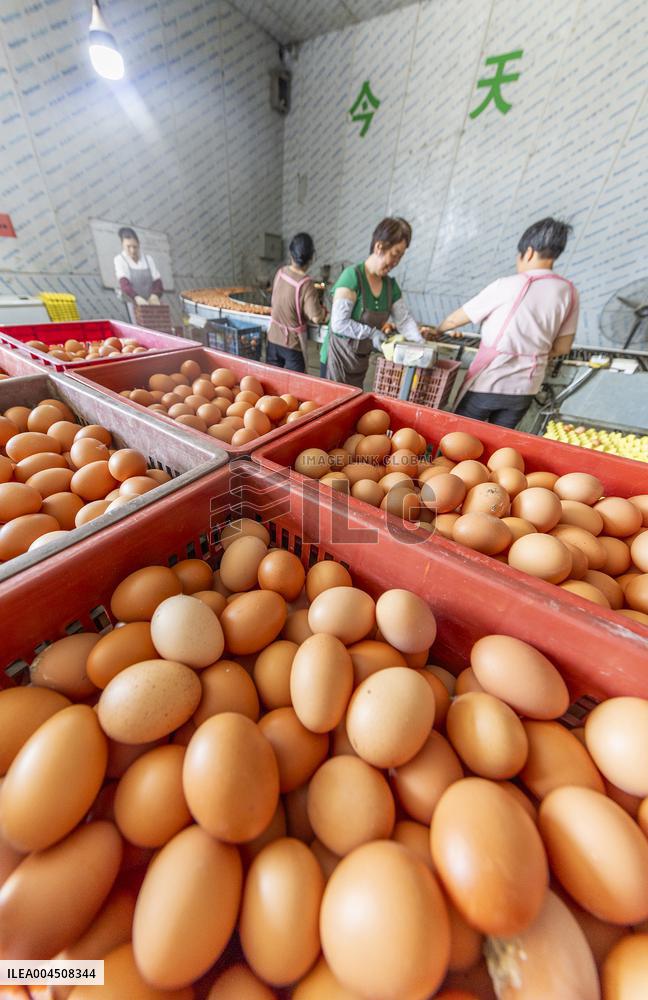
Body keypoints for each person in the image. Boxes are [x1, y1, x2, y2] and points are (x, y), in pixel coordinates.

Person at [436, 217, 579, 428]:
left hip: (490, 381)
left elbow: (455, 319)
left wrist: (437, 330)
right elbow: (562, 347)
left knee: (457, 440)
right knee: (497, 450)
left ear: (528, 252)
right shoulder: (569, 291)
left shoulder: (509, 284)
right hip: (526, 389)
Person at [322, 217, 431, 387]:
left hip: (360, 361)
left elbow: (404, 320)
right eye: (394, 254)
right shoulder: (352, 276)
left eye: (400, 256)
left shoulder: (390, 286)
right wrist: (371, 333)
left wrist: (421, 345)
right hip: (337, 360)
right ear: (379, 246)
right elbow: (339, 323)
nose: (396, 262)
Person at [267, 233, 327, 373]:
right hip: (292, 346)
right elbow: (316, 317)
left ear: (290, 253)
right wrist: (324, 312)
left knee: (272, 383)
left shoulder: (280, 273)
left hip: (273, 338)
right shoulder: (306, 283)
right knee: (293, 389)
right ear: (311, 257)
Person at [114, 227, 164, 321]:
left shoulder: (147, 259)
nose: (132, 250)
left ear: (139, 244)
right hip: (133, 304)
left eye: (135, 246)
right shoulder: (120, 260)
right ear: (122, 245)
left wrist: (155, 295)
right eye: (128, 247)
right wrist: (136, 297)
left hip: (151, 304)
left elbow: (158, 281)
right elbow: (124, 284)